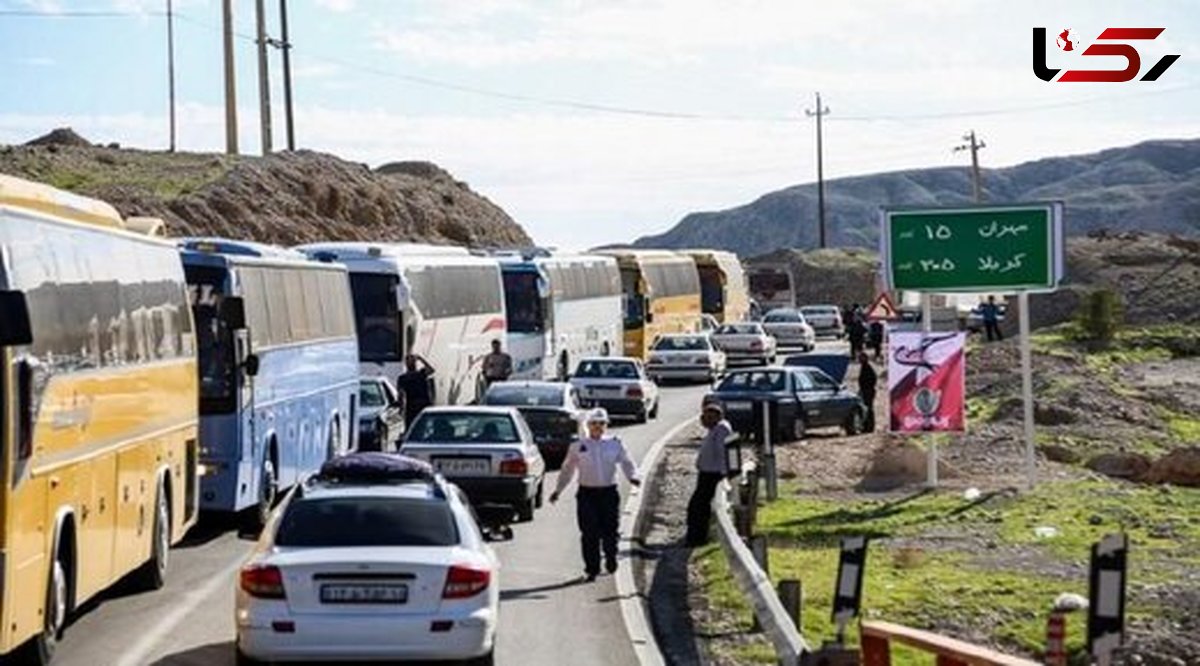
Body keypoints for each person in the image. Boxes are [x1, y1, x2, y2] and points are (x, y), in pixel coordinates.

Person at [550, 408, 641, 581]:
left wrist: (633, 477)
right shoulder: (578, 446)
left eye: (601, 424)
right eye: (594, 424)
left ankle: (611, 556)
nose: (597, 427)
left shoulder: (614, 443)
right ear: (588, 425)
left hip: (608, 493)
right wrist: (558, 490)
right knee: (589, 532)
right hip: (587, 494)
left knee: (610, 530)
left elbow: (627, 462)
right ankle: (592, 568)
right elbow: (567, 470)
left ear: (606, 425)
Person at [686, 403, 734, 547]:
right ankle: (695, 537)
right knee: (698, 506)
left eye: (708, 417)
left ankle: (697, 539)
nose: (703, 419)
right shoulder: (714, 429)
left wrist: (725, 475)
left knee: (698, 507)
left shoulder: (721, 429)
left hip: (713, 475)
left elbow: (722, 453)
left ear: (716, 417)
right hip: (707, 474)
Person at [395, 353, 435, 424]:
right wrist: (421, 359)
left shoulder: (421, 374)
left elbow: (431, 370)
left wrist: (421, 359)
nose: (411, 363)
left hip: (419, 406)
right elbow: (400, 395)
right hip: (415, 406)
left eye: (412, 361)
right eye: (410, 361)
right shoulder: (404, 378)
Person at [857, 352, 878, 433]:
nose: (859, 360)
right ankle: (866, 426)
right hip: (865, 390)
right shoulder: (864, 367)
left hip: (868, 391)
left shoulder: (867, 367)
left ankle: (869, 427)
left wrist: (867, 388)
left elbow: (873, 379)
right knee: (866, 409)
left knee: (868, 409)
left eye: (861, 358)